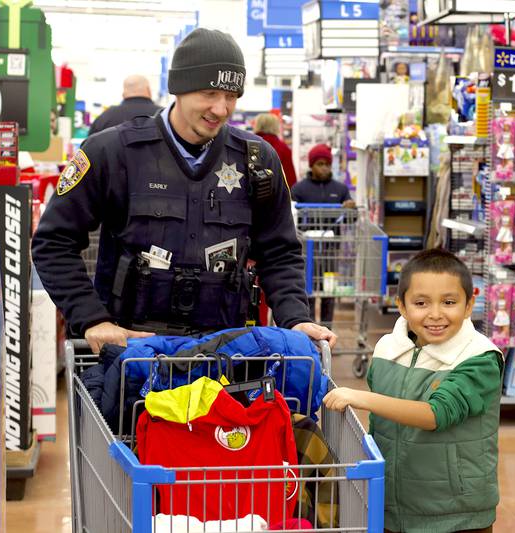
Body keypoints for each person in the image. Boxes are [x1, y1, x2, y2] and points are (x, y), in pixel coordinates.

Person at [32, 28, 335, 353]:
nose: (221, 109)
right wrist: (92, 319)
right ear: (178, 88)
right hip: (133, 362)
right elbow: (53, 242)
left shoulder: (257, 162)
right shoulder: (112, 152)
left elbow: (279, 252)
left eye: (231, 96)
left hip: (227, 360)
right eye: (209, 93)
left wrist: (294, 318)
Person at [323, 249, 503, 533]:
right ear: (402, 306)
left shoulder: (480, 358)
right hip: (392, 506)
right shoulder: (387, 349)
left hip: (456, 515)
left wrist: (361, 398)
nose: (435, 314)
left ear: (469, 305)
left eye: (449, 302)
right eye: (421, 303)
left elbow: (435, 414)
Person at [291, 144, 354, 325]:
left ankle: (327, 330)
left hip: (330, 252)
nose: (324, 168)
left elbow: (351, 220)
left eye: (327, 164)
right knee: (308, 293)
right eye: (320, 164)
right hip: (305, 252)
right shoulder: (299, 189)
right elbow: (292, 218)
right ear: (311, 165)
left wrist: (351, 209)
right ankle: (311, 334)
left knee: (328, 292)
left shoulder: (340, 189)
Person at [88, 75, 161, 136]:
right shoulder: (163, 115)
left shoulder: (105, 117)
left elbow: (89, 147)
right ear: (149, 90)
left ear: (124, 92)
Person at [253, 113, 297, 187]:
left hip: (250, 193)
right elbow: (290, 177)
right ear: (276, 127)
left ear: (257, 125)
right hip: (276, 192)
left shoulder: (249, 144)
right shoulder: (283, 148)